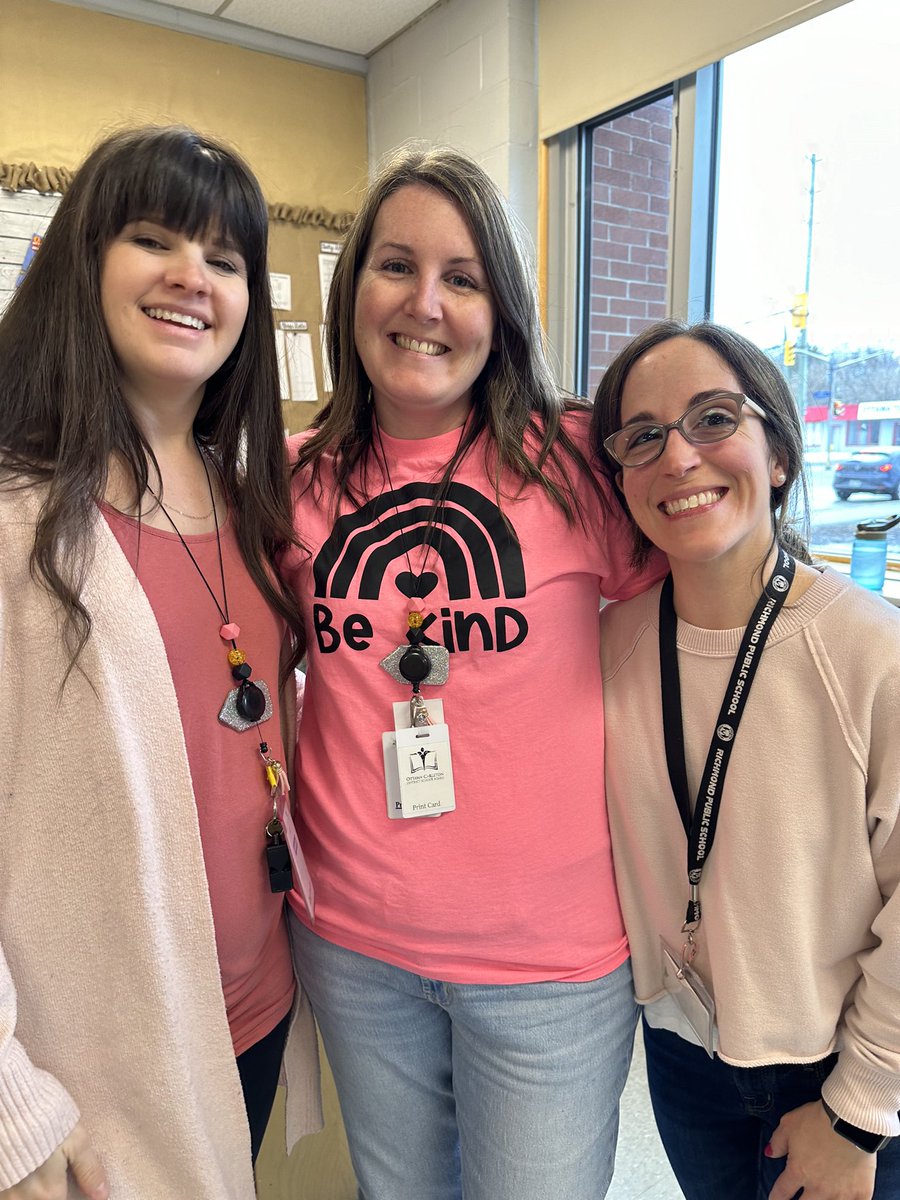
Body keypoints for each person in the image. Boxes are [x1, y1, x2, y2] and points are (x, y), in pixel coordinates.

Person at [282, 145, 665, 1200]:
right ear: (351, 287)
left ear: (502, 309)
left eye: (463, 277)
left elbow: (706, 613)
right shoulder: (291, 479)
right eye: (396, 266)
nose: (426, 303)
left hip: (553, 965)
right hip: (354, 945)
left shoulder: (579, 464)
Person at [0, 125, 321, 1200]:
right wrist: (16, 1111)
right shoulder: (16, 516)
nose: (193, 277)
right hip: (91, 1057)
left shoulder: (252, 504)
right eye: (153, 240)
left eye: (225, 260)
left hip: (256, 1002)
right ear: (85, 260)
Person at [591, 319, 900, 1200]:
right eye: (643, 436)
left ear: (779, 455)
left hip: (840, 1065)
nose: (678, 457)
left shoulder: (868, 651)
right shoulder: (609, 646)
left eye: (714, 418)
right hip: (686, 1059)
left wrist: (859, 1107)